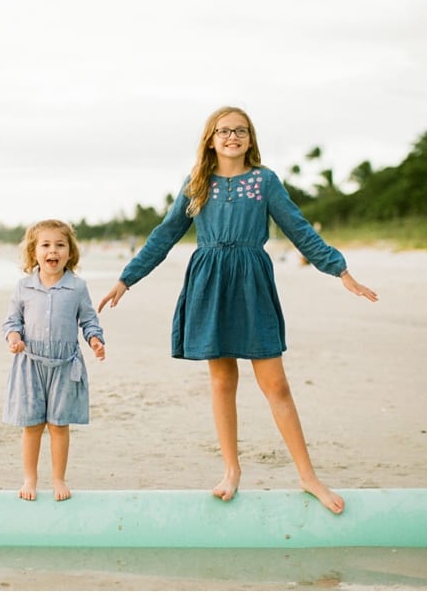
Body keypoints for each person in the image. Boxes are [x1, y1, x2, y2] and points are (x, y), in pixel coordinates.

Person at [97, 106, 377, 515]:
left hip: (251, 281)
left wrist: (340, 271)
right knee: (222, 379)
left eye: (241, 131)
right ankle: (231, 470)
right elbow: (165, 235)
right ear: (211, 138)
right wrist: (127, 278)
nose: (233, 137)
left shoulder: (264, 181)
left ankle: (307, 476)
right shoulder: (196, 185)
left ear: (250, 138)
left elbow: (300, 229)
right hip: (209, 282)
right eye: (224, 131)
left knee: (275, 384)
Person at [3, 220, 106, 502]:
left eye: (60, 245)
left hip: (64, 365)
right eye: (45, 245)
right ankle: (30, 478)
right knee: (32, 425)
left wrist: (95, 340)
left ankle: (58, 478)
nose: (53, 250)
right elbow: (12, 321)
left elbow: (89, 320)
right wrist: (14, 338)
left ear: (70, 252)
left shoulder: (77, 287)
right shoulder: (24, 287)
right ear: (34, 252)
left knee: (59, 425)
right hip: (30, 364)